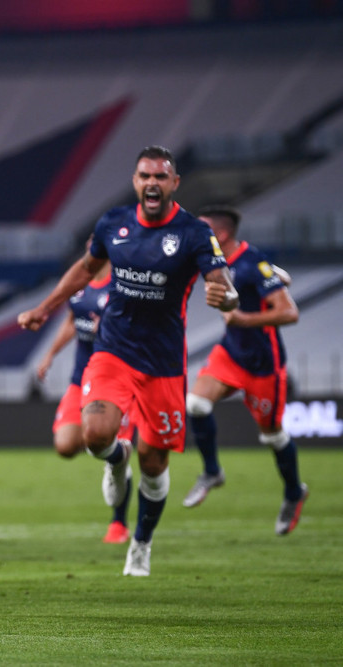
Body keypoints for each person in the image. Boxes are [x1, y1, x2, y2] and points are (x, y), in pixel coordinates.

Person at [18, 146, 238, 576]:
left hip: (163, 365)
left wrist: (225, 295)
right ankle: (116, 461)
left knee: (154, 463)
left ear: (174, 183)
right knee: (96, 434)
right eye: (144, 176)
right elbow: (85, 269)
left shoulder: (193, 233)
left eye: (161, 176)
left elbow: (222, 282)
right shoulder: (113, 223)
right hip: (113, 350)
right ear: (136, 181)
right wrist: (46, 308)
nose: (152, 183)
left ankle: (141, 542)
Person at [181, 205, 306, 534]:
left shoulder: (252, 262)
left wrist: (245, 319)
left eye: (204, 229)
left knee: (273, 436)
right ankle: (212, 471)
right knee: (195, 403)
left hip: (264, 365)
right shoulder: (214, 259)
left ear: (220, 235)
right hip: (230, 354)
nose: (198, 235)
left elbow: (289, 312)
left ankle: (294, 492)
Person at [35, 251, 135, 544]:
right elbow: (71, 320)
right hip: (81, 379)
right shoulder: (79, 287)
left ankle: (118, 524)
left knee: (112, 446)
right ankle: (107, 451)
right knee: (65, 445)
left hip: (113, 379)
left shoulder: (121, 286)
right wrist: (50, 354)